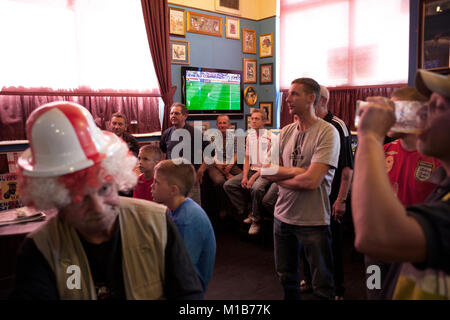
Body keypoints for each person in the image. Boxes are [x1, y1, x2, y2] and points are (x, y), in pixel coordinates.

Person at [10, 101, 203, 300]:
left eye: (103, 188)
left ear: (116, 177)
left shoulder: (157, 223)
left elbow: (189, 296)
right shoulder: (40, 248)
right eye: (79, 198)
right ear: (55, 198)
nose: (97, 207)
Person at [352, 69, 450, 299]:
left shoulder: (431, 160)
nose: (424, 114)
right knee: (375, 290)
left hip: (400, 239)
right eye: (426, 106)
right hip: (379, 256)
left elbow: (376, 235)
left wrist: (370, 136)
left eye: (439, 106)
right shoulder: (386, 151)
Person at [262, 78, 340, 300]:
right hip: (282, 218)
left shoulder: (327, 132)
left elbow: (312, 182)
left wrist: (281, 175)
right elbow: (266, 171)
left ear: (311, 98)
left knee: (322, 285)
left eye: (295, 94)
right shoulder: (285, 131)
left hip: (313, 221)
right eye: (289, 94)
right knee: (287, 278)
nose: (288, 99)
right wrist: (297, 172)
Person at [300, 85, 354, 300]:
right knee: (307, 240)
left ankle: (337, 288)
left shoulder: (337, 125)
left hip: (331, 196)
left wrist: (341, 199)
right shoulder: (305, 125)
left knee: (331, 244)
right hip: (309, 195)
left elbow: (347, 168)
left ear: (320, 101)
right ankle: (311, 280)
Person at [152, 159, 216, 292]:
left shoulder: (186, 221)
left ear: (173, 190)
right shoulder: (177, 208)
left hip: (187, 290)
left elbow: (181, 269)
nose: (151, 187)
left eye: (156, 183)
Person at [224, 109, 273, 235]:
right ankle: (248, 211)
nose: (253, 121)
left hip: (266, 171)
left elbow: (268, 164)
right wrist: (245, 176)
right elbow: (246, 158)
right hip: (252, 169)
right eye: (252, 118)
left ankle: (256, 221)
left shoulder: (271, 137)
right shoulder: (249, 137)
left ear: (264, 121)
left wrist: (252, 178)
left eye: (257, 119)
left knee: (256, 188)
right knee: (229, 185)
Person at [159, 103, 209, 206]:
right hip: (172, 179)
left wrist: (201, 170)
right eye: (171, 113)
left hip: (190, 179)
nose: (173, 116)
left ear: (185, 116)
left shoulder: (194, 133)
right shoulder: (167, 133)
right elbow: (163, 152)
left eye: (177, 113)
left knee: (191, 209)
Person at [206, 115, 242, 219]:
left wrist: (229, 167)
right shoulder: (211, 137)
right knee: (219, 181)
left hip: (230, 163)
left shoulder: (235, 137)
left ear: (229, 124)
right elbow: (211, 155)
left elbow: (237, 153)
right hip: (214, 164)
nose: (222, 125)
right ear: (217, 125)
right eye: (220, 123)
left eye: (224, 123)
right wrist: (226, 173)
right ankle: (223, 207)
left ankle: (240, 206)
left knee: (243, 178)